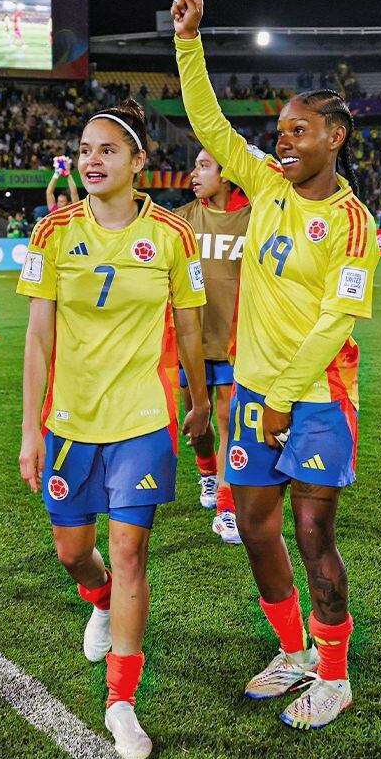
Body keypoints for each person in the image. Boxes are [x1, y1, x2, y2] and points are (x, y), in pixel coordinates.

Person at [173, 0, 380, 730]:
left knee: (311, 532)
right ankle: (292, 650)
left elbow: (336, 321)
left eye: (299, 131)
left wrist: (288, 394)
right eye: (281, 131)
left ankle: (335, 673)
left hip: (317, 398)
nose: (282, 142)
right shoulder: (264, 186)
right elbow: (209, 120)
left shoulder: (353, 224)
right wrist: (188, 42)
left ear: (335, 137)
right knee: (256, 526)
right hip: (257, 394)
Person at [17, 100, 209, 759]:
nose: (93, 160)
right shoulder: (51, 233)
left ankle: (120, 702)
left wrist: (201, 403)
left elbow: (188, 327)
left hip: (142, 417)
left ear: (138, 162)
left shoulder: (174, 236)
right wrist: (29, 430)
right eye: (86, 149)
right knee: (75, 551)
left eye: (108, 150)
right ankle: (95, 598)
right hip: (70, 421)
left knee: (129, 551)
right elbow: (38, 338)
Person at [172, 148, 250, 543]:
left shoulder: (255, 218)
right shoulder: (184, 218)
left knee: (228, 423)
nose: (194, 173)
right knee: (196, 421)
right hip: (192, 342)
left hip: (236, 343)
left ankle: (226, 506)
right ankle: (206, 472)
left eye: (204, 166)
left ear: (228, 173)